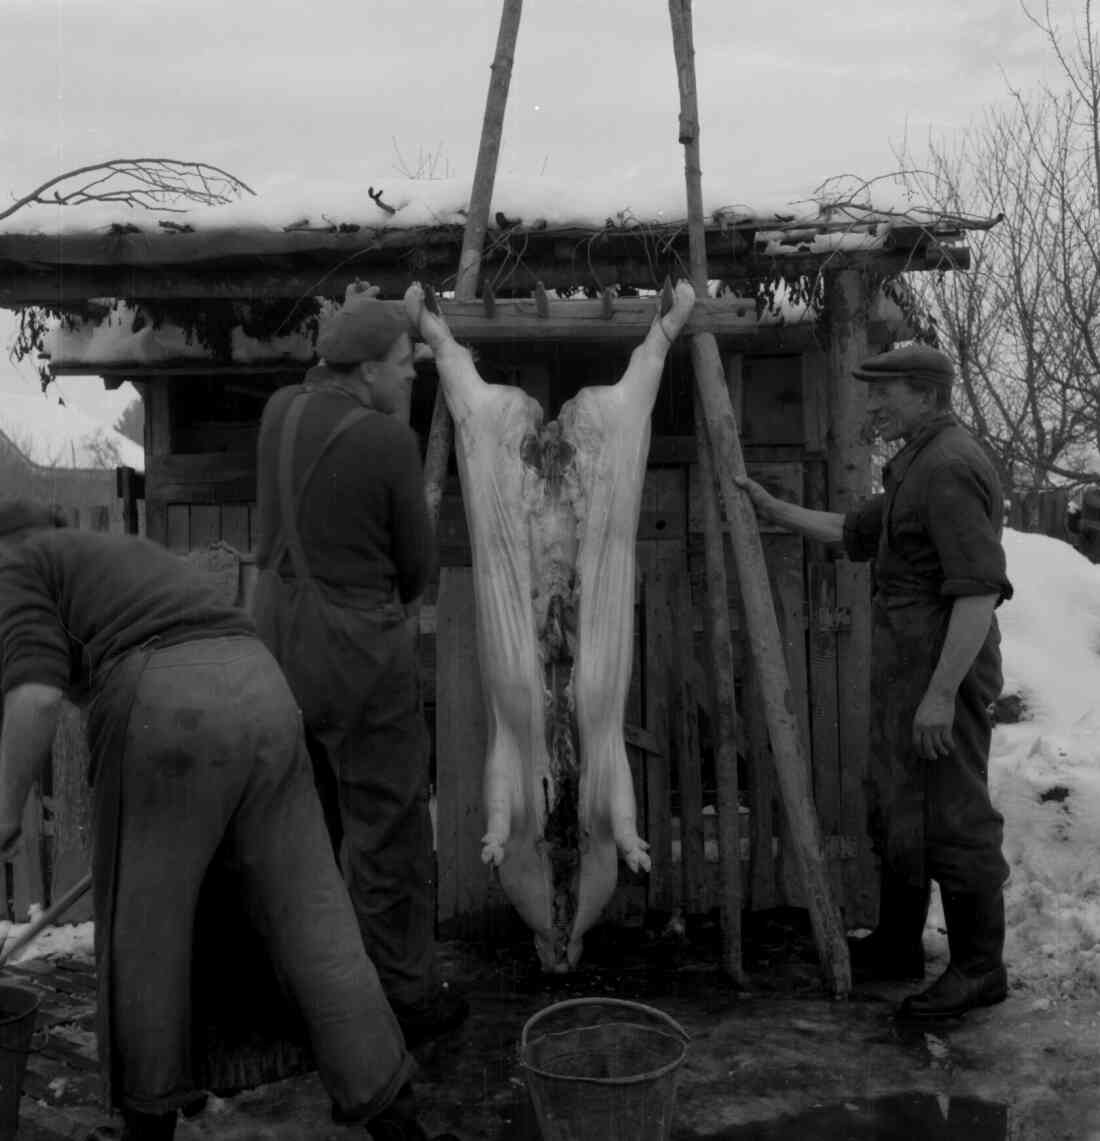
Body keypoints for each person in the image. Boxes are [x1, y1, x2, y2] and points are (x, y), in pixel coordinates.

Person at [0, 501, 457, 1141]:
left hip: (166, 705)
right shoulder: (114, 556)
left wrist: (2, 816)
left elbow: (37, 697)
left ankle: (146, 1125)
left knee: (144, 942)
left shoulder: (20, 566)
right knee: (319, 931)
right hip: (263, 690)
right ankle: (398, 1118)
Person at [735, 344, 1012, 1020]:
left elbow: (978, 593)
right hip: (909, 677)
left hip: (941, 679)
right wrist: (773, 507)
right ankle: (897, 945)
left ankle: (980, 967)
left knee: (955, 815)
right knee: (901, 810)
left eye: (885, 391)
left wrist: (942, 694)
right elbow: (850, 530)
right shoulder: (917, 463)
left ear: (927, 393)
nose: (873, 403)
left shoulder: (949, 467)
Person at [252, 285, 467, 1046]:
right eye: (404, 364)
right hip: (354, 650)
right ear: (368, 369)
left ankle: (299, 990)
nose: (413, 374)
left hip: (274, 641)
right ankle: (403, 995)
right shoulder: (386, 443)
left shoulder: (280, 413)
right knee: (390, 829)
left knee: (301, 824)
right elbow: (416, 572)